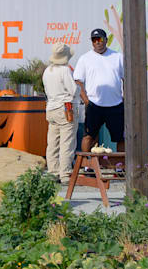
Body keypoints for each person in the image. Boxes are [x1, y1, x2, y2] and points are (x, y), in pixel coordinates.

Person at [73, 28, 125, 152]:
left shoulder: (118, 57)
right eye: (94, 40)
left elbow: (126, 78)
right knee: (89, 136)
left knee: (121, 138)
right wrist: (86, 101)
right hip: (94, 105)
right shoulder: (85, 58)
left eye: (100, 39)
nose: (97, 42)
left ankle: (120, 167)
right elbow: (78, 80)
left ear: (106, 40)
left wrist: (125, 97)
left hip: (115, 104)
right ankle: (86, 166)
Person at [42, 42, 77, 179]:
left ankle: (53, 171)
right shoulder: (65, 70)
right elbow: (73, 90)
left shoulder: (47, 70)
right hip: (65, 108)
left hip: (51, 107)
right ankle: (65, 173)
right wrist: (80, 89)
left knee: (53, 143)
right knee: (67, 142)